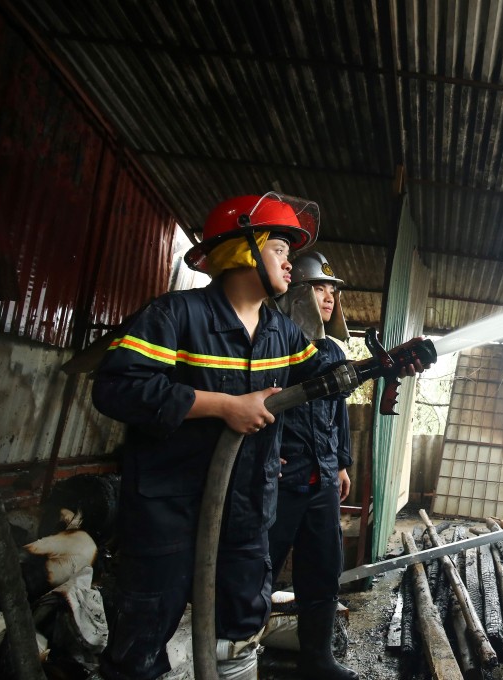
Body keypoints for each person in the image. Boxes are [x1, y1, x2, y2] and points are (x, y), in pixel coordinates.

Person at [92, 193, 343, 679]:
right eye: (279, 252)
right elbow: (117, 388)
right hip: (168, 514)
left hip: (247, 515)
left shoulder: (281, 332)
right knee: (141, 641)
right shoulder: (175, 316)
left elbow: (323, 379)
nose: (290, 266)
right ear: (243, 250)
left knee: (240, 631)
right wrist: (224, 407)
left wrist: (386, 363)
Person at [270, 251, 358, 679]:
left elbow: (337, 414)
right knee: (257, 569)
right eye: (320, 289)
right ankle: (237, 653)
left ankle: (317, 661)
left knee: (323, 572)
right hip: (279, 481)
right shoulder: (277, 340)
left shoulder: (331, 350)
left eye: (332, 291)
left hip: (321, 481)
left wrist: (341, 463)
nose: (329, 298)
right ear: (299, 294)